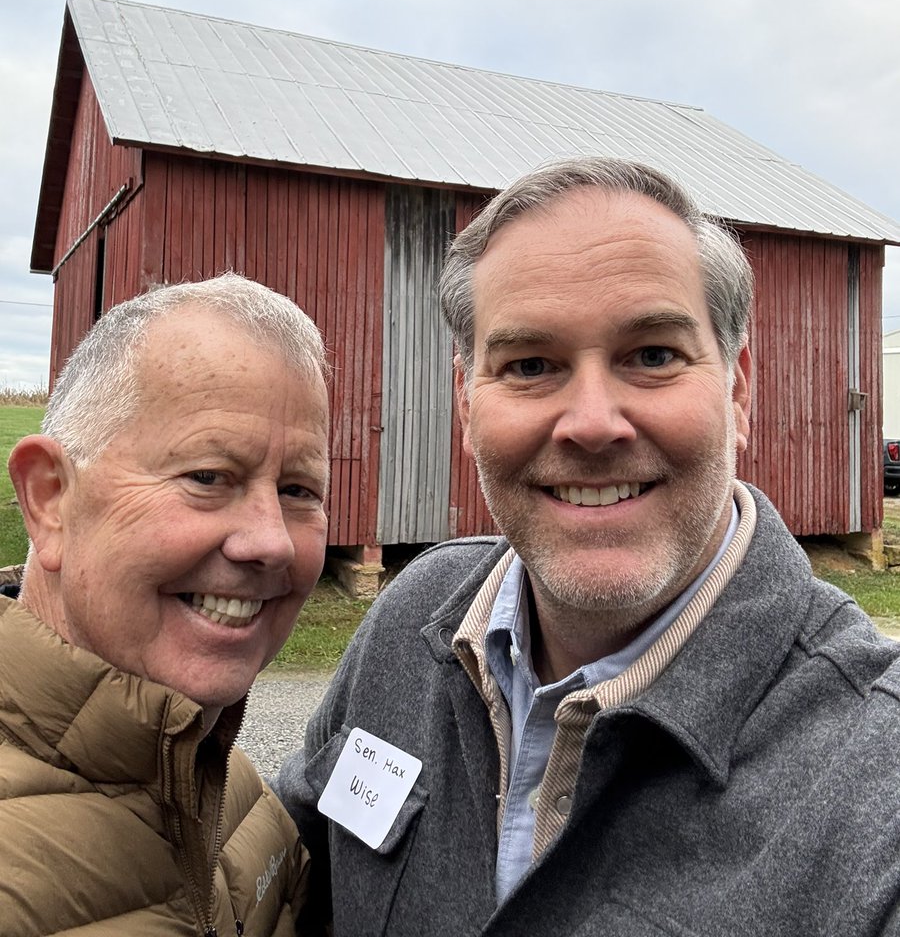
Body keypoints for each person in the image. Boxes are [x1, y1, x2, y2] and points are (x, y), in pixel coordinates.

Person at [278, 158, 900, 937]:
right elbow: (272, 882)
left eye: (652, 355)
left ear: (739, 392)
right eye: (531, 366)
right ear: (467, 405)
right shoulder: (413, 622)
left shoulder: (877, 774)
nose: (593, 422)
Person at [1, 273, 330, 936]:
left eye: (299, 489)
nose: (270, 542)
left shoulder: (236, 792)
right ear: (50, 500)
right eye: (208, 477)